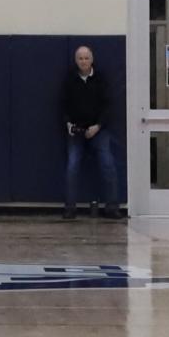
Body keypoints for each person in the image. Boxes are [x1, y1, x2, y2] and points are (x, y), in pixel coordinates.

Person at [63, 45, 120, 219]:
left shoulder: (101, 80)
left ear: (92, 60)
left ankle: (112, 207)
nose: (83, 61)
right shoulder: (69, 80)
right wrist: (68, 124)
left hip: (98, 129)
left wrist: (98, 126)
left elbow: (108, 106)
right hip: (77, 131)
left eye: (86, 58)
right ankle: (70, 208)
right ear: (76, 60)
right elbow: (63, 105)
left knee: (108, 164)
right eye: (80, 58)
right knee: (72, 166)